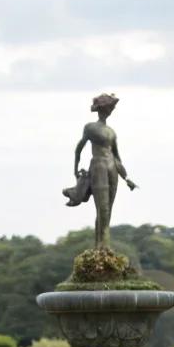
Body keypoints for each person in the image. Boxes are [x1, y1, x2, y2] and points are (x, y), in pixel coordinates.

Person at [62, 93, 137, 246]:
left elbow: (117, 157)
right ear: (102, 108)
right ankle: (100, 247)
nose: (111, 110)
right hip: (98, 168)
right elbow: (79, 149)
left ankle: (103, 246)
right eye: (109, 107)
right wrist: (75, 170)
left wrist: (127, 178)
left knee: (108, 210)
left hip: (113, 170)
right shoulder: (90, 127)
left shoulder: (111, 132)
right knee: (102, 208)